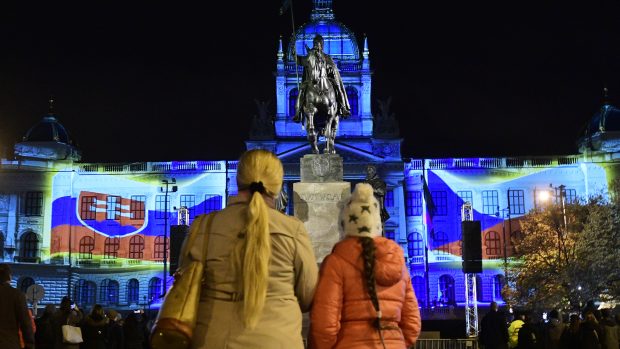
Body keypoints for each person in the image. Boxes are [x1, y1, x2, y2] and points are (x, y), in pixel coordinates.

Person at [189, 149, 318, 349]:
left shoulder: (203, 227)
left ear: (237, 180)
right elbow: (308, 295)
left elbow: (186, 287)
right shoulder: (293, 230)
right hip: (279, 340)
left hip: (214, 339)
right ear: (277, 185)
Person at [309, 183, 421, 349]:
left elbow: (324, 325)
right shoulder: (398, 263)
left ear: (345, 224)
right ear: (377, 224)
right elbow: (412, 323)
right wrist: (394, 341)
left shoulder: (336, 262)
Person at [293, 34, 350, 122]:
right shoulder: (310, 55)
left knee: (338, 88)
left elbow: (333, 68)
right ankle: (297, 112)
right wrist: (294, 52)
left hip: (326, 78)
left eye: (318, 43)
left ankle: (343, 108)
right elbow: (300, 61)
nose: (316, 44)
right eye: (315, 43)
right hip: (311, 80)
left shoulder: (327, 57)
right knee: (301, 90)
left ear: (322, 45)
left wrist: (331, 69)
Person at [0, 264, 35, 349]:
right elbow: (26, 323)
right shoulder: (17, 295)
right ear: (9, 277)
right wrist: (30, 345)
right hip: (9, 344)